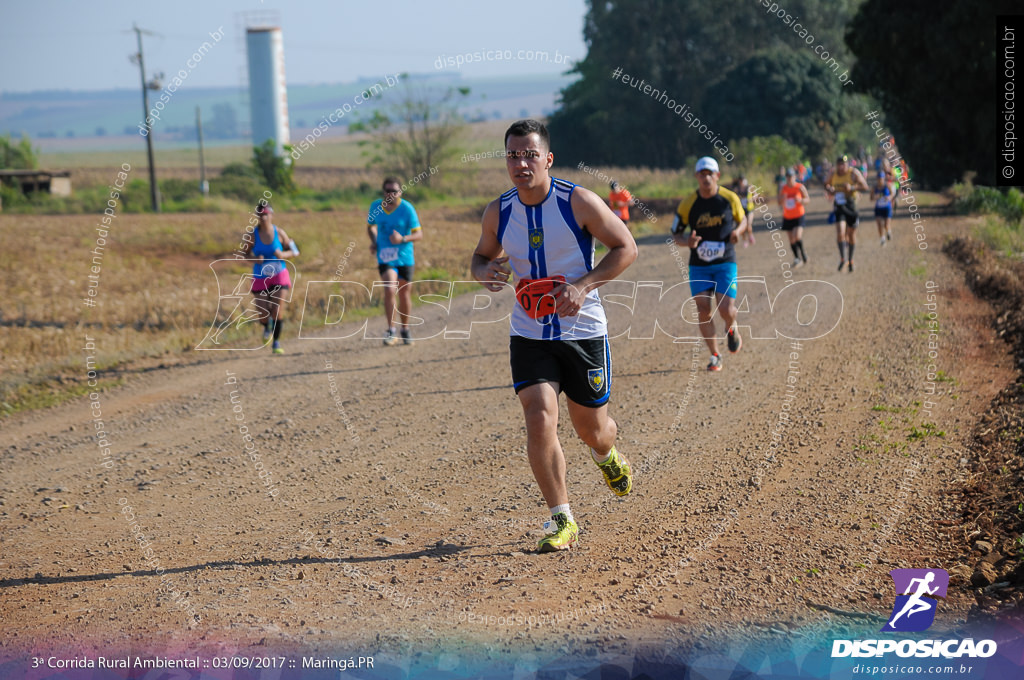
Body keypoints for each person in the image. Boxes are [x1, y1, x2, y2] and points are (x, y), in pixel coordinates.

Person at [470, 119, 638, 553]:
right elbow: (480, 256)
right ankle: (561, 518)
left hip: (582, 331)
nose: (520, 163)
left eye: (529, 154)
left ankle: (607, 455)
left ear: (547, 158)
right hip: (529, 332)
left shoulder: (578, 202)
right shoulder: (498, 211)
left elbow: (626, 247)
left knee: (591, 429)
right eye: (512, 155)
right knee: (539, 416)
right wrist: (484, 271)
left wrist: (583, 286)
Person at [672, 156, 750, 372]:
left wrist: (738, 232)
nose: (706, 178)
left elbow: (743, 219)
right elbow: (675, 234)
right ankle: (715, 354)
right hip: (699, 264)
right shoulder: (688, 203)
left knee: (726, 308)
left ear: (717, 176)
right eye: (702, 174)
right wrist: (687, 241)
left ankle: (731, 327)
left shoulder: (729, 198)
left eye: (710, 173)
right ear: (697, 177)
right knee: (703, 309)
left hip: (725, 261)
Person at [367, 177, 423, 346]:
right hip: (385, 256)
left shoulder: (407, 209)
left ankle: (405, 329)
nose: (391, 194)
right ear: (383, 192)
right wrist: (375, 241)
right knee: (390, 289)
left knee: (404, 293)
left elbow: (419, 234)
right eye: (388, 191)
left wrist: (402, 238)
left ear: (400, 192)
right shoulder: (376, 206)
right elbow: (370, 226)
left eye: (395, 191)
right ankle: (391, 330)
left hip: (405, 256)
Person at [241, 203, 298, 354]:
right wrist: (255, 259)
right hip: (260, 276)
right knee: (263, 313)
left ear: (271, 215)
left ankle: (277, 343)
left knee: (277, 311)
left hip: (279, 275)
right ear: (257, 217)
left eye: (266, 214)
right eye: (260, 215)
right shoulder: (252, 235)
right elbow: (244, 254)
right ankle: (266, 327)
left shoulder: (279, 233)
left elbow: (295, 251)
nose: (263, 217)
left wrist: (283, 255)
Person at [824, 155, 869, 272]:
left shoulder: (853, 173)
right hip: (839, 206)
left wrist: (852, 187)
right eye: (839, 164)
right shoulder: (833, 174)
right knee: (840, 233)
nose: (841, 166)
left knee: (851, 235)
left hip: (851, 205)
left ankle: (851, 260)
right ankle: (843, 258)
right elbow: (825, 184)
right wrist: (830, 189)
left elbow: (865, 187)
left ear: (847, 164)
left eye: (843, 164)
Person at [778, 168, 810, 267]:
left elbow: (807, 200)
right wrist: (782, 200)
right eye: (787, 177)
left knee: (797, 236)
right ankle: (797, 258)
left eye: (791, 177)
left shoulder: (800, 187)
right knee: (791, 239)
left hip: (799, 215)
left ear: (794, 177)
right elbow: (779, 202)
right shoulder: (783, 189)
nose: (789, 179)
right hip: (787, 216)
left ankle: (803, 253)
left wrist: (800, 200)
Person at [730, 175, 756, 247]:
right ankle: (745, 240)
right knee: (742, 227)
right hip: (741, 210)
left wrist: (751, 199)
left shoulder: (750, 187)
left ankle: (750, 235)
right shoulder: (736, 189)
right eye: (740, 181)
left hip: (749, 209)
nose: (742, 182)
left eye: (743, 180)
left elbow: (755, 195)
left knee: (748, 225)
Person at [872, 172, 894, 245]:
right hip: (878, 208)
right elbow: (871, 198)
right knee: (879, 224)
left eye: (881, 179)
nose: (880, 181)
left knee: (886, 225)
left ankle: (888, 231)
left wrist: (889, 197)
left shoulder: (887, 185)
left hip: (887, 207)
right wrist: (875, 197)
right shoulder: (874, 187)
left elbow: (892, 194)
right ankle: (882, 238)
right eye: (879, 179)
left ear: (883, 179)